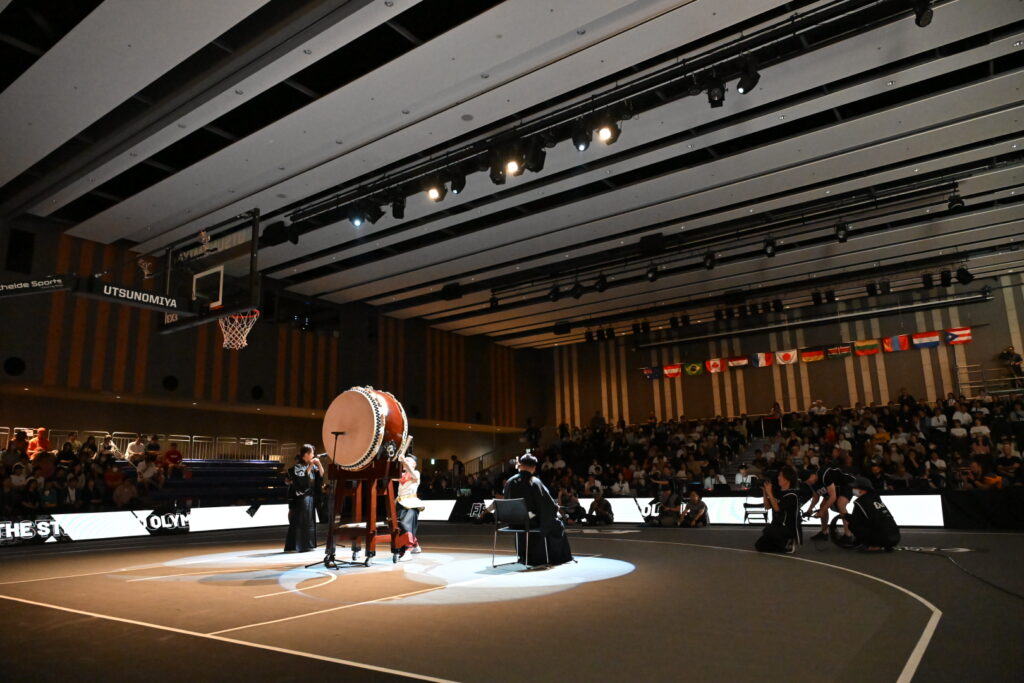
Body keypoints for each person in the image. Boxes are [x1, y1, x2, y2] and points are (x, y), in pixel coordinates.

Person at [502, 453, 573, 565]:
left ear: (520, 465)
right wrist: (556, 508)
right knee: (557, 524)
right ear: (534, 468)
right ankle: (554, 558)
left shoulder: (509, 482)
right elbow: (548, 504)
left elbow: (506, 500)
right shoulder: (535, 482)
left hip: (513, 522)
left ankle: (524, 556)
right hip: (530, 522)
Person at [284, 444, 323, 553]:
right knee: (300, 521)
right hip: (301, 497)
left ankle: (308, 544)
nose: (313, 455)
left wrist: (319, 464)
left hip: (310, 496)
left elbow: (320, 475)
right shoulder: (298, 467)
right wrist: (310, 465)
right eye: (312, 453)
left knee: (309, 521)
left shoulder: (313, 466)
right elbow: (302, 481)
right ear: (306, 454)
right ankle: (297, 545)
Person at [845, 477, 900, 552]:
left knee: (852, 525)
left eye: (855, 487)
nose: (853, 489)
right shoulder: (876, 497)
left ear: (862, 489)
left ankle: (874, 545)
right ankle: (884, 544)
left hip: (883, 538)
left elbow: (855, 520)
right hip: (895, 536)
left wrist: (846, 516)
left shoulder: (860, 501)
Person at [755, 465, 801, 553]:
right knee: (759, 545)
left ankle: (788, 542)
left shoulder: (792, 495)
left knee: (768, 529)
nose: (778, 478)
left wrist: (770, 493)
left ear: (787, 479)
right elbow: (767, 506)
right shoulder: (779, 493)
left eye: (780, 476)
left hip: (787, 528)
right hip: (777, 526)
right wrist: (765, 492)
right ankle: (782, 547)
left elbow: (777, 509)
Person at [396, 451, 425, 555]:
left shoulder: (416, 473)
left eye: (408, 461)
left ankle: (408, 550)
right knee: (400, 525)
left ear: (414, 464)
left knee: (406, 525)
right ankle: (416, 546)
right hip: (400, 503)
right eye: (405, 461)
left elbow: (411, 472)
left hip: (412, 504)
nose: (405, 463)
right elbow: (390, 476)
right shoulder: (401, 474)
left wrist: (403, 460)